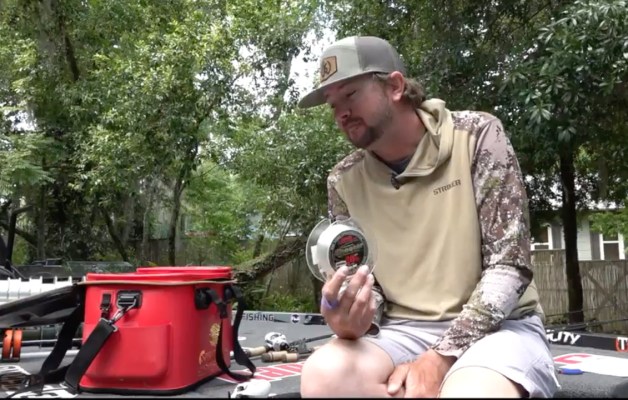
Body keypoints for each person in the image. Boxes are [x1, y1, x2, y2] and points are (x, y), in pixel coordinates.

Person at [297, 36, 560, 398]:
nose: (341, 112)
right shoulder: (342, 180)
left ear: (394, 86)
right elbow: (368, 281)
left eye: (350, 94)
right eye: (333, 104)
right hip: (402, 330)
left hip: (500, 329)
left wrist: (440, 358)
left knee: (471, 393)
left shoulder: (477, 135)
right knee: (324, 377)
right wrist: (354, 317)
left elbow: (510, 264)